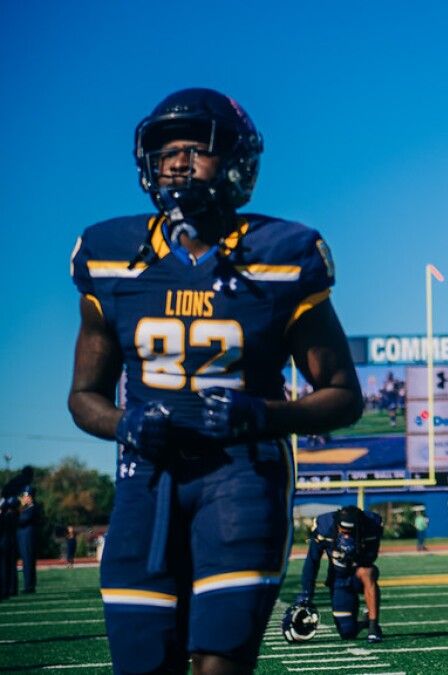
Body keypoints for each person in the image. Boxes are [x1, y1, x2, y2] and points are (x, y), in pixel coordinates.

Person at [67, 88, 363, 674]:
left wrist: (262, 414)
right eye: (166, 150)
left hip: (242, 475)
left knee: (220, 662)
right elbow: (83, 397)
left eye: (194, 148)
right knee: (142, 662)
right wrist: (125, 423)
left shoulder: (283, 255)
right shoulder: (109, 254)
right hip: (146, 478)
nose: (177, 161)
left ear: (235, 161)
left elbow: (343, 395)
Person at [287, 506, 384, 643]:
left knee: (367, 572)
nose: (346, 535)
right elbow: (312, 561)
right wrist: (306, 593)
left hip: (358, 573)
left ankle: (374, 626)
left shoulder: (371, 524)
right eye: (343, 531)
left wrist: (353, 554)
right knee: (347, 632)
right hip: (338, 579)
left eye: (350, 532)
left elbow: (371, 557)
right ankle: (365, 621)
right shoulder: (324, 526)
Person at [16, 486, 40, 593]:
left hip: (28, 539)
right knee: (26, 562)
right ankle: (29, 585)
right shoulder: (26, 508)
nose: (24, 499)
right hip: (24, 539)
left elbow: (21, 520)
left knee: (28, 562)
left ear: (30, 497)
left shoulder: (32, 509)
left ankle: (29, 586)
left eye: (26, 496)